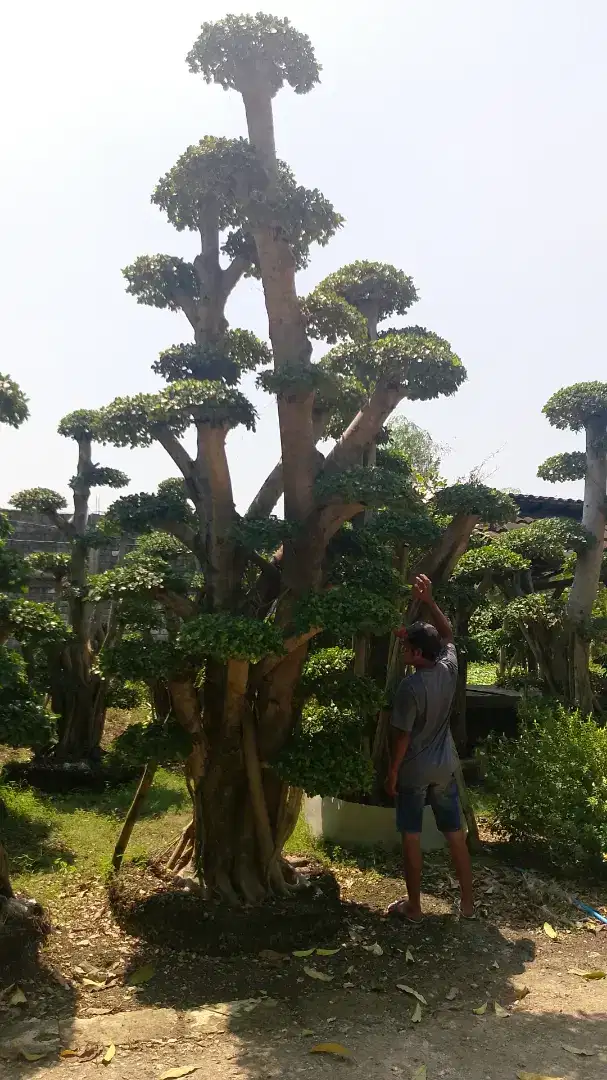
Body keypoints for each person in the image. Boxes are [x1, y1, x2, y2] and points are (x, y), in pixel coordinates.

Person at [385, 573, 474, 922]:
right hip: (445, 768)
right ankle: (467, 904)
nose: (403, 651)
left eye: (407, 648)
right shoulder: (448, 667)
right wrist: (429, 601)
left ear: (418, 654)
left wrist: (392, 772)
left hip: (415, 770)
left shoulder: (409, 688)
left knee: (411, 836)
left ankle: (415, 907)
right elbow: (448, 635)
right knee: (455, 835)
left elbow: (402, 737)